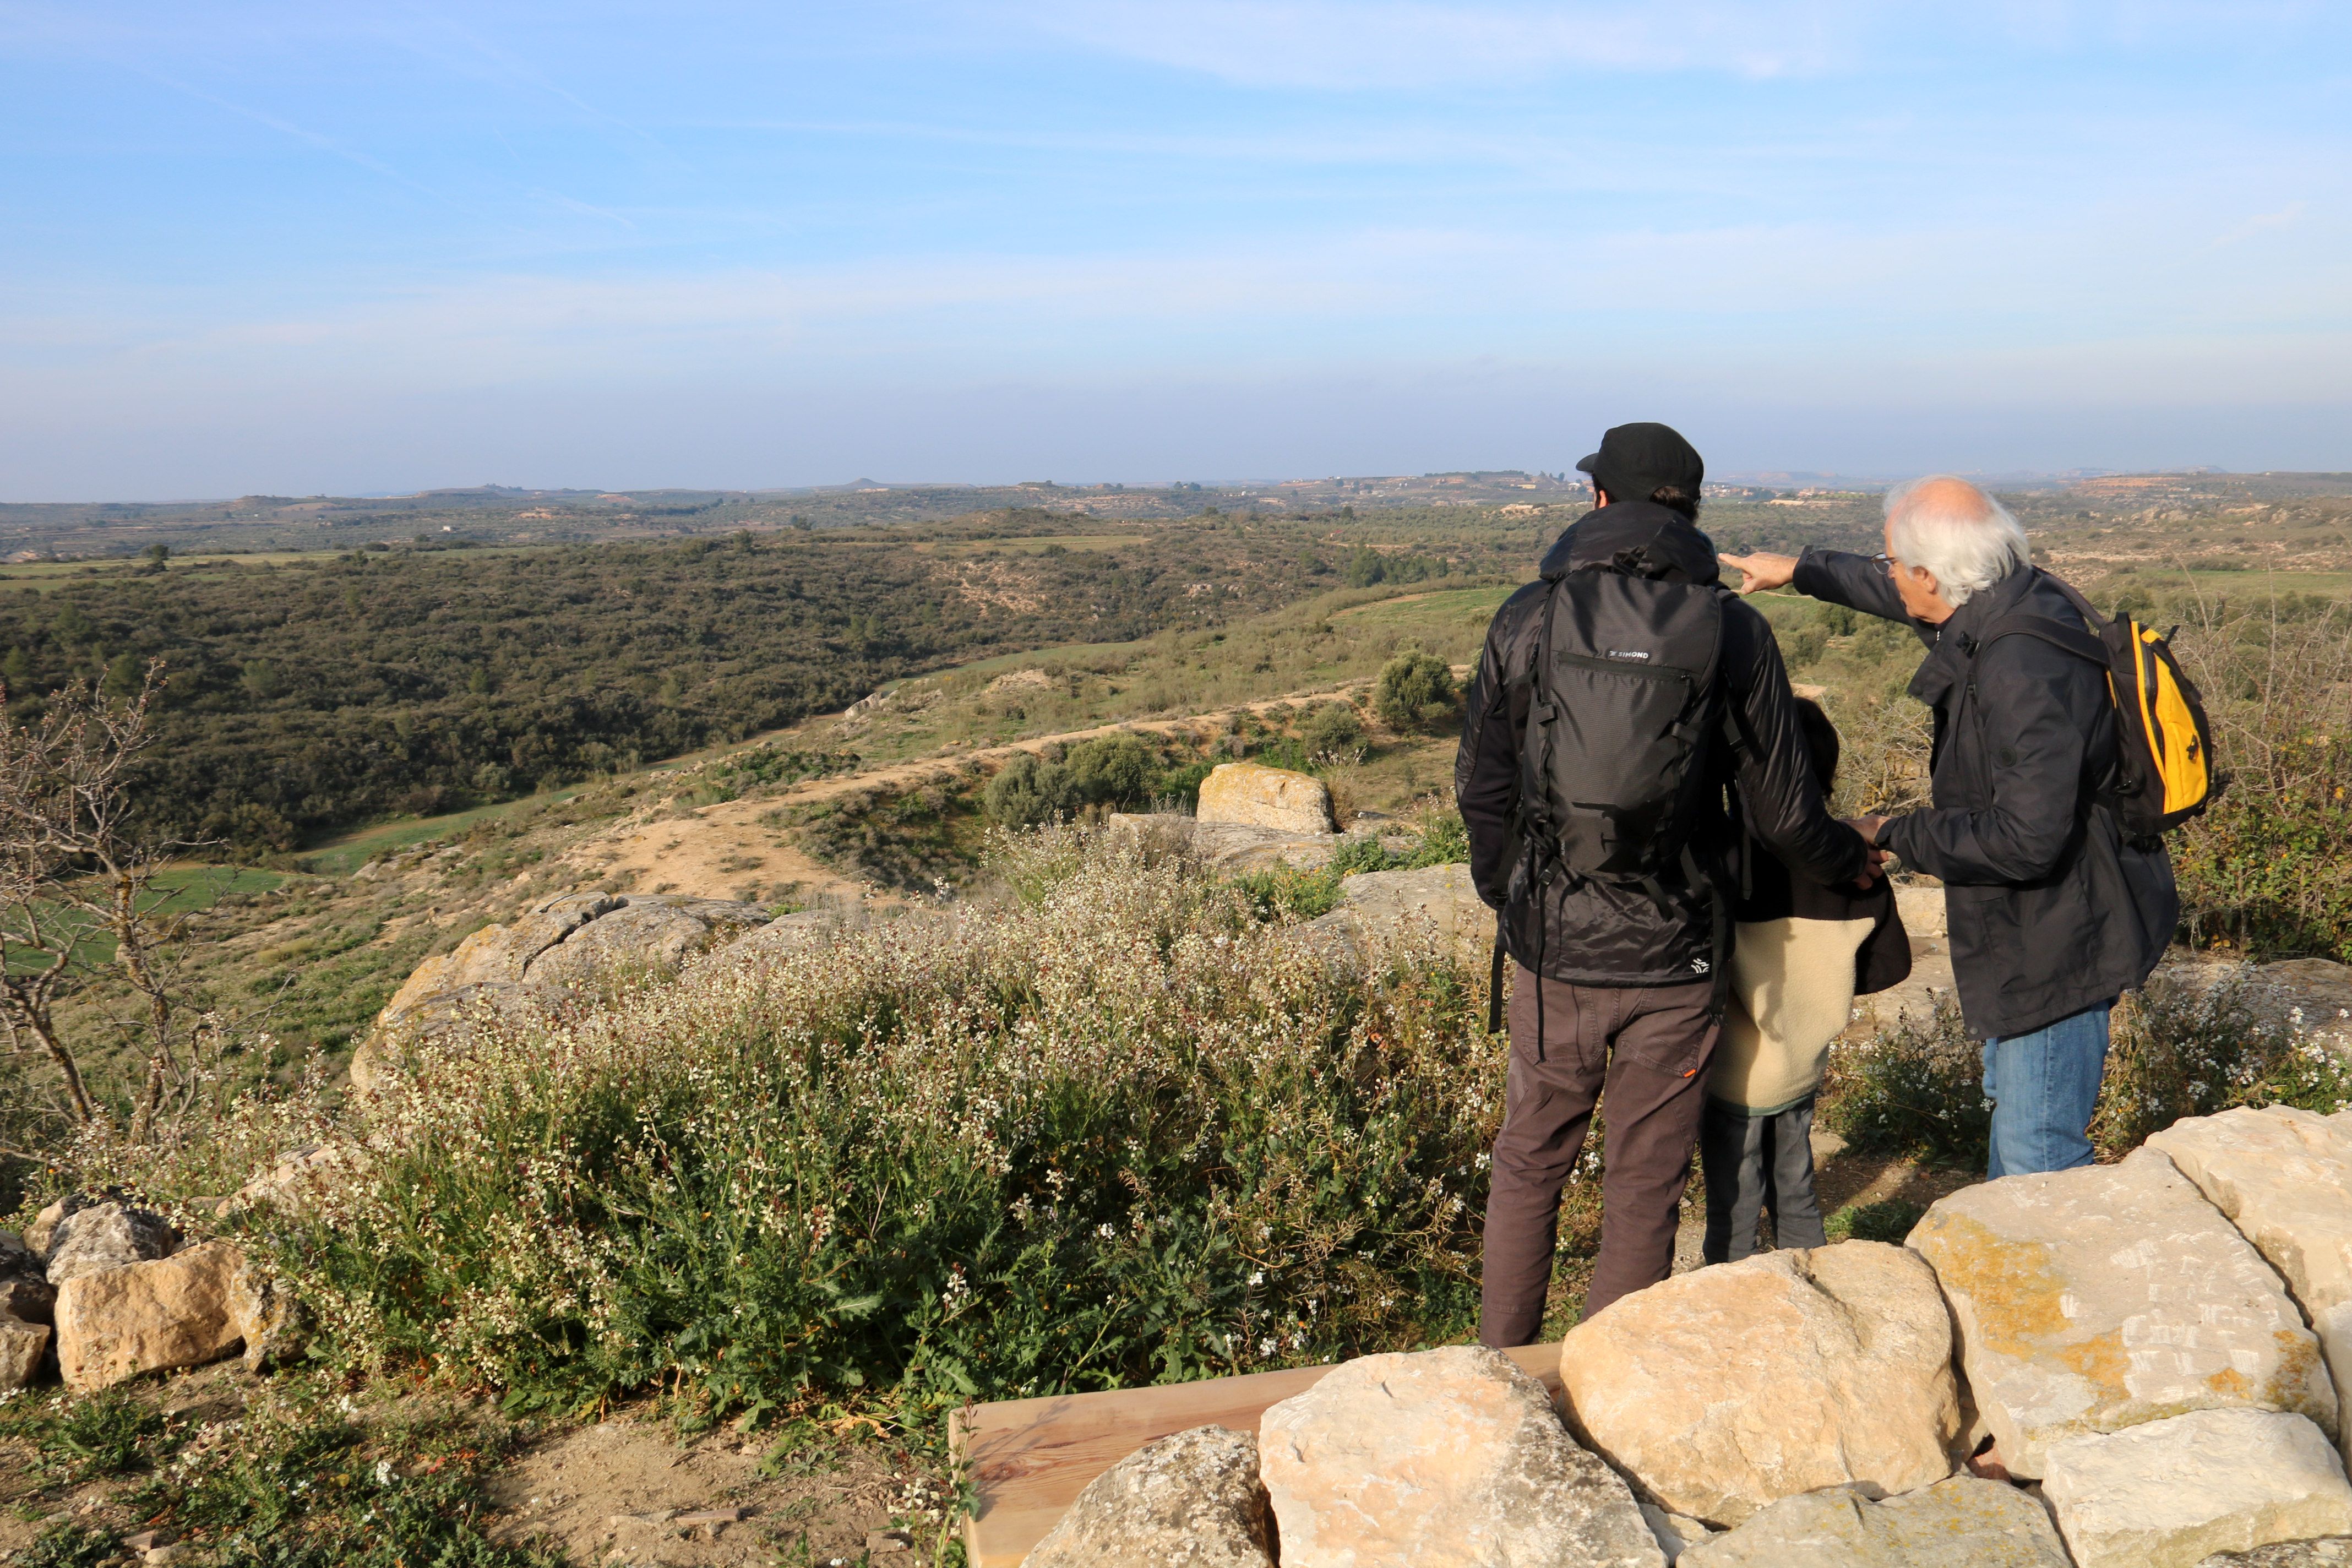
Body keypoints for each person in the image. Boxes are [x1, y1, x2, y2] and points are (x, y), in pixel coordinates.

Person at [1457, 422, 1877, 1341]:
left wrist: (1517, 895)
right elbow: (1782, 815)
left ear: (1599, 500)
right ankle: (1613, 1387)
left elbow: (1480, 786)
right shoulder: (1733, 632)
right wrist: (1854, 859)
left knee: (1530, 1161)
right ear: (1688, 508)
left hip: (1552, 950)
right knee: (1644, 1182)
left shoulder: (1528, 616)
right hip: (1675, 955)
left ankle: (1497, 1372)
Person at [1724, 477, 2177, 1179]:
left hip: (2058, 937)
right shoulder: (2005, 597)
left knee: (2039, 1148)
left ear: (1933, 575)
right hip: (2031, 925)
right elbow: (1895, 588)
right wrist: (1800, 571)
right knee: (2017, 1110)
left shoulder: (2020, 668)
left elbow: (2026, 839)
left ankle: (2039, 1277)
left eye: (1899, 565)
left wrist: (1895, 831)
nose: (1891, 579)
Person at [1701, 698, 1910, 1262]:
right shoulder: (1852, 861)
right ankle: (1815, 1291)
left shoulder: (1725, 854)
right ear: (1827, 771)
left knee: (1734, 1206)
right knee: (1796, 1191)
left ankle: (1730, 1315)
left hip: (1732, 1074)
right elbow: (1892, 965)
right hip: (1800, 1065)